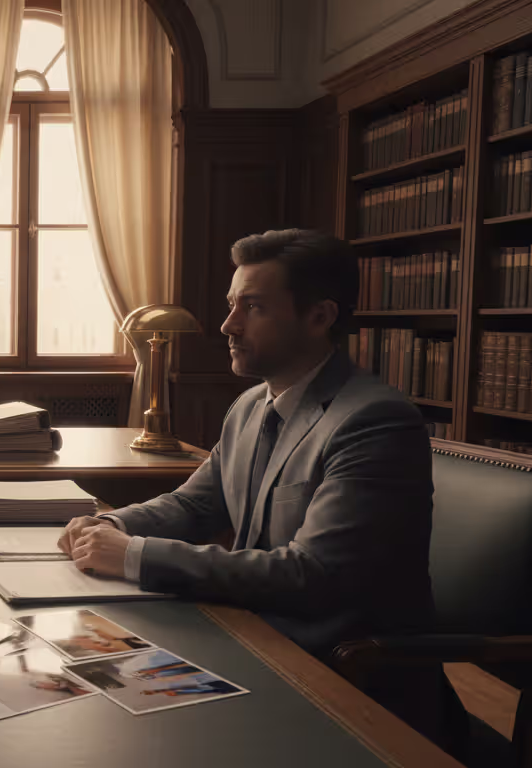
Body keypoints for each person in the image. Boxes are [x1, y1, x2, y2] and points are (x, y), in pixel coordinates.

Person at [57, 229, 454, 746]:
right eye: (231, 304)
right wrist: (112, 524)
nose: (228, 325)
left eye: (253, 307)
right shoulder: (249, 406)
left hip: (345, 684)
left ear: (320, 317)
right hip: (253, 640)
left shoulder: (374, 421)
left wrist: (133, 555)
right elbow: (196, 502)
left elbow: (313, 576)